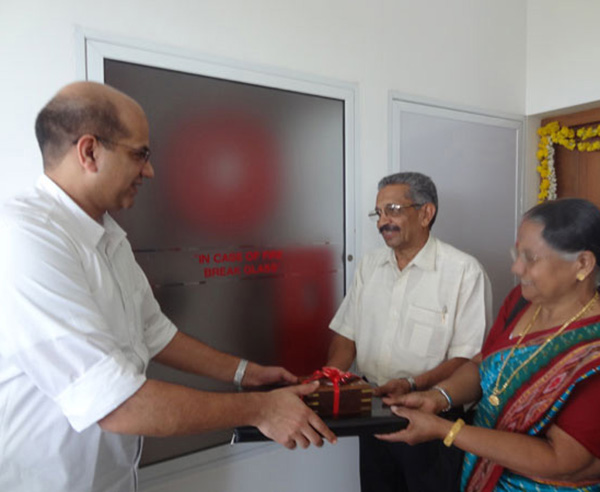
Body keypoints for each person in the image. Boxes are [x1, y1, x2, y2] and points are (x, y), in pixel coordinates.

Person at [0, 81, 336, 492]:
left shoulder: (107, 237)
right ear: (89, 151)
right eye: (139, 154)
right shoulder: (24, 238)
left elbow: (155, 333)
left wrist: (246, 374)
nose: (150, 170)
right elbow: (116, 404)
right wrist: (260, 410)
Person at [379, 198, 600, 491]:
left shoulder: (591, 350)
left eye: (531, 257)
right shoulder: (520, 302)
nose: (517, 267)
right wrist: (437, 397)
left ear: (582, 263)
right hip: (479, 474)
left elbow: (565, 460)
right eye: (517, 253)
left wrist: (447, 430)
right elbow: (483, 366)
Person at [326, 172, 492, 492]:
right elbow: (347, 334)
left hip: (434, 417)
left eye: (393, 210)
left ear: (426, 213)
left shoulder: (464, 272)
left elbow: (469, 358)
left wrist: (414, 384)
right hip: (373, 413)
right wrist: (329, 380)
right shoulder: (370, 266)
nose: (382, 222)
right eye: (379, 213)